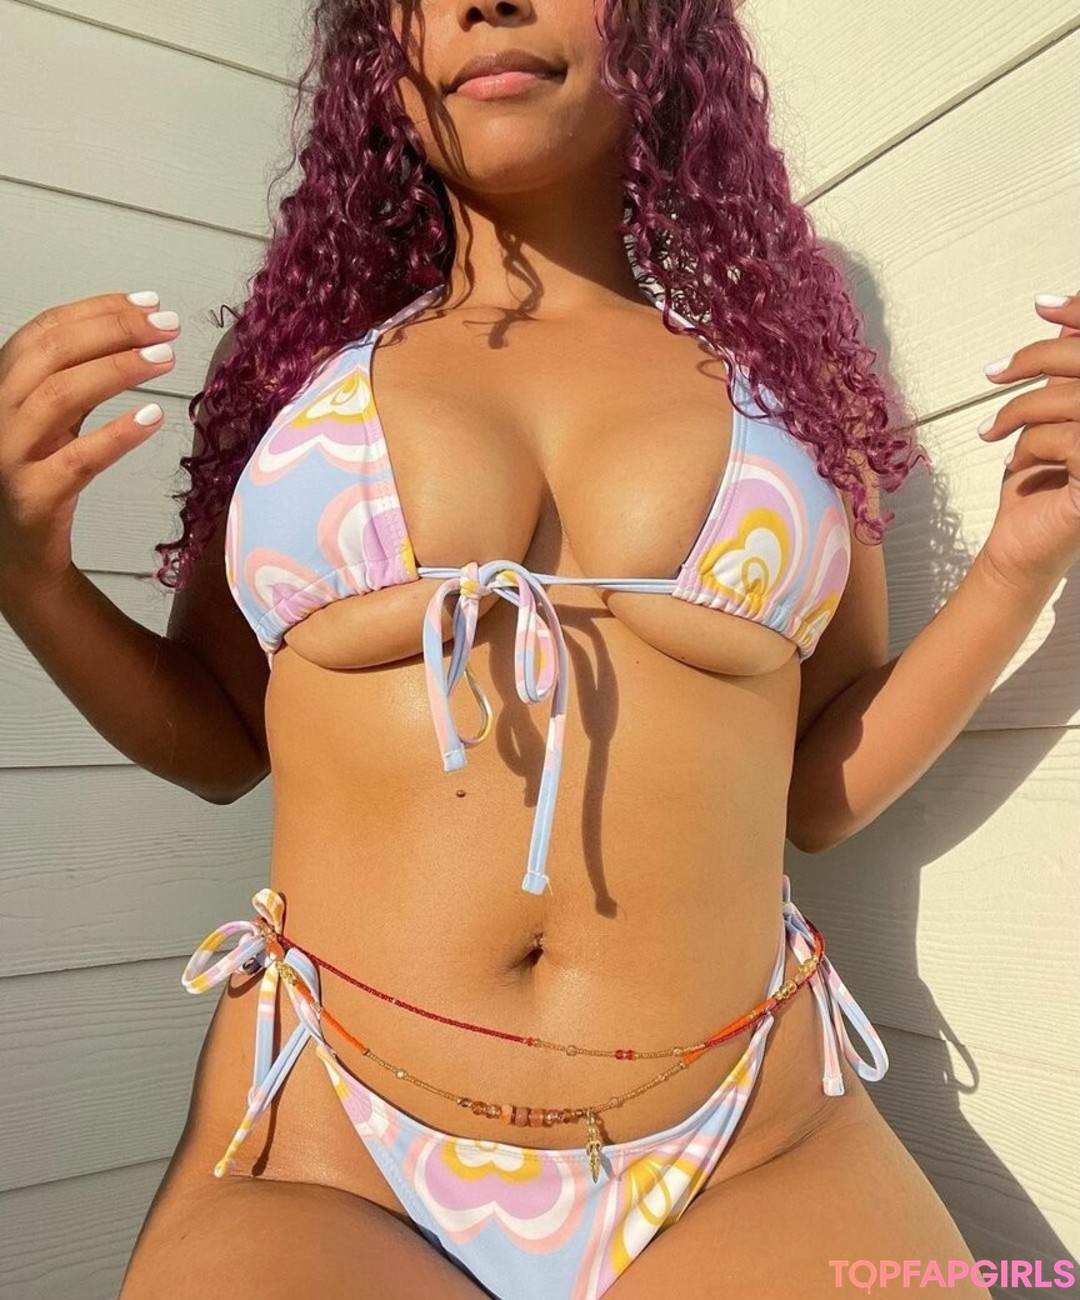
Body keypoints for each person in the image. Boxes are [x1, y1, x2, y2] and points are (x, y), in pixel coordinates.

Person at [1, 0, 1075, 1293]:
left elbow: (814, 790)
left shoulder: (790, 389)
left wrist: (1017, 569)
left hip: (757, 1135)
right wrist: (29, 579)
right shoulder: (294, 374)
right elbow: (222, 739)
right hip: (328, 1135)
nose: (485, 2)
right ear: (378, 56)